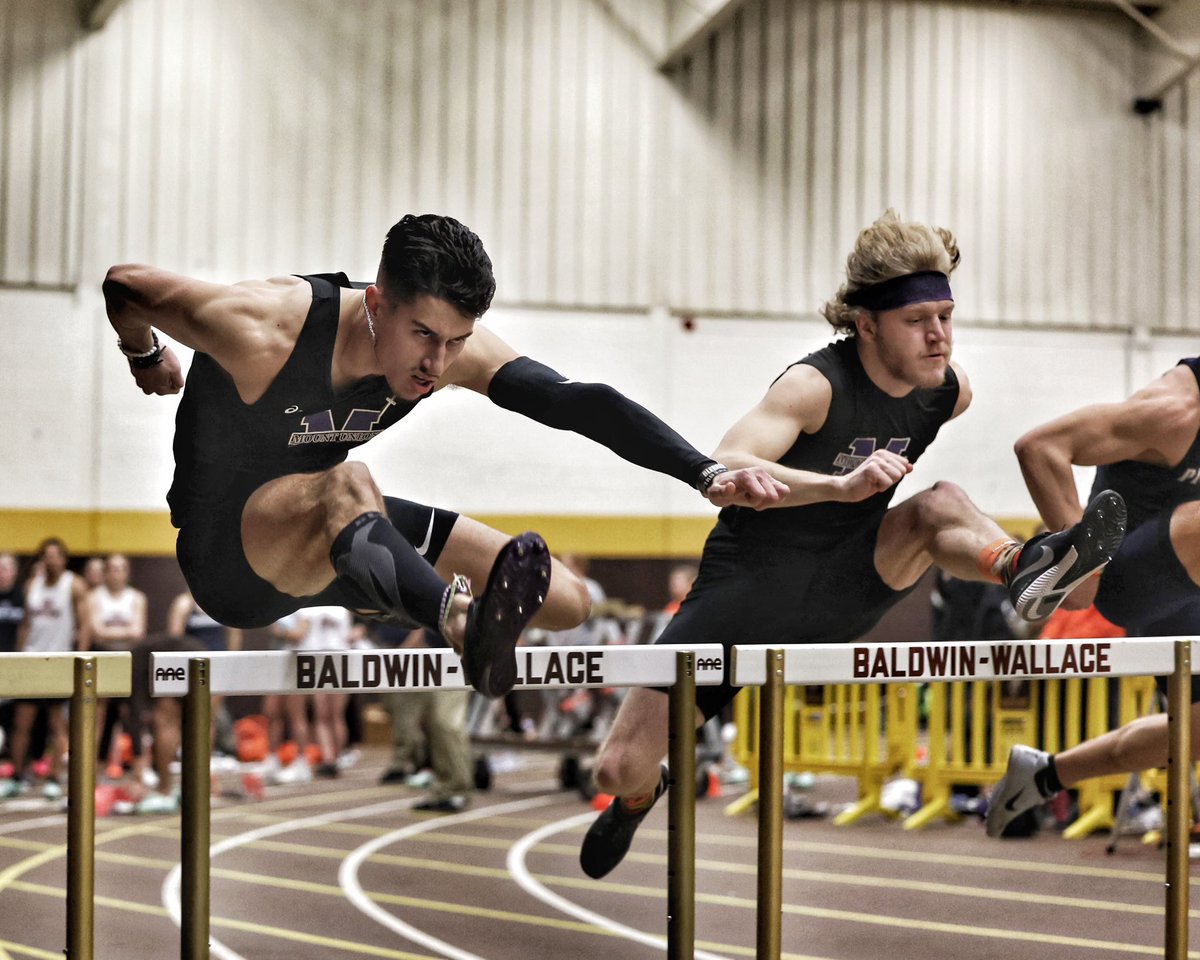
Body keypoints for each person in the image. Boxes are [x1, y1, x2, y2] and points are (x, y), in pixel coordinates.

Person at [578, 209, 1128, 879]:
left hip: (850, 581)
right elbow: (726, 466)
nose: (939, 337)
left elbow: (928, 507)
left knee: (938, 506)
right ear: (866, 325)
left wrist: (858, 505)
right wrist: (835, 488)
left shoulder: (947, 395)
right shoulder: (814, 386)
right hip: (746, 594)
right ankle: (639, 798)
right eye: (918, 321)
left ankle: (1022, 566)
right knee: (618, 765)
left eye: (946, 317)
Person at [102, 214, 783, 701]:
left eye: (456, 341)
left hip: (338, 535)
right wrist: (145, 352)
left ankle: (398, 594)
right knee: (349, 481)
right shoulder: (266, 328)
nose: (437, 363)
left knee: (566, 601)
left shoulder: (448, 348)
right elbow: (124, 284)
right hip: (228, 556)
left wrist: (706, 471)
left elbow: (574, 401)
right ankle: (458, 623)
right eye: (423, 335)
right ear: (375, 303)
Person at [986, 357, 1200, 838]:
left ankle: (1045, 773)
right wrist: (1079, 575)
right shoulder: (1174, 411)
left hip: (1183, 592)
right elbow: (1038, 446)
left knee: (1190, 735)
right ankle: (1063, 567)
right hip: (1126, 577)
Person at [6, 538, 91, 799]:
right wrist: (19, 657)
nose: (52, 560)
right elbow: (25, 625)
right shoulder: (32, 585)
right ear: (42, 559)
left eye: (56, 555)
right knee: (22, 723)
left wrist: (81, 659)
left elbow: (85, 624)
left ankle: (55, 776)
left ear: (64, 559)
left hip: (60, 662)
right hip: (32, 660)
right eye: (47, 555)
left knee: (58, 725)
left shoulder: (73, 585)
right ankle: (18, 775)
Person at [380, 626, 475, 811]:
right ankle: (446, 788)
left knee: (446, 722)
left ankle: (457, 789)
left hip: (457, 655)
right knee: (435, 723)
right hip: (434, 654)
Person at [88, 554, 148, 778]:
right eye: (112, 568)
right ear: (105, 572)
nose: (117, 572)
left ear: (127, 572)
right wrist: (124, 632)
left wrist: (110, 633)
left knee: (132, 716)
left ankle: (140, 773)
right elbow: (97, 633)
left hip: (129, 661)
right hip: (102, 659)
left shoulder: (137, 598)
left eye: (121, 568)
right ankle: (93, 771)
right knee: (101, 714)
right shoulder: (94, 597)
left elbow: (138, 632)